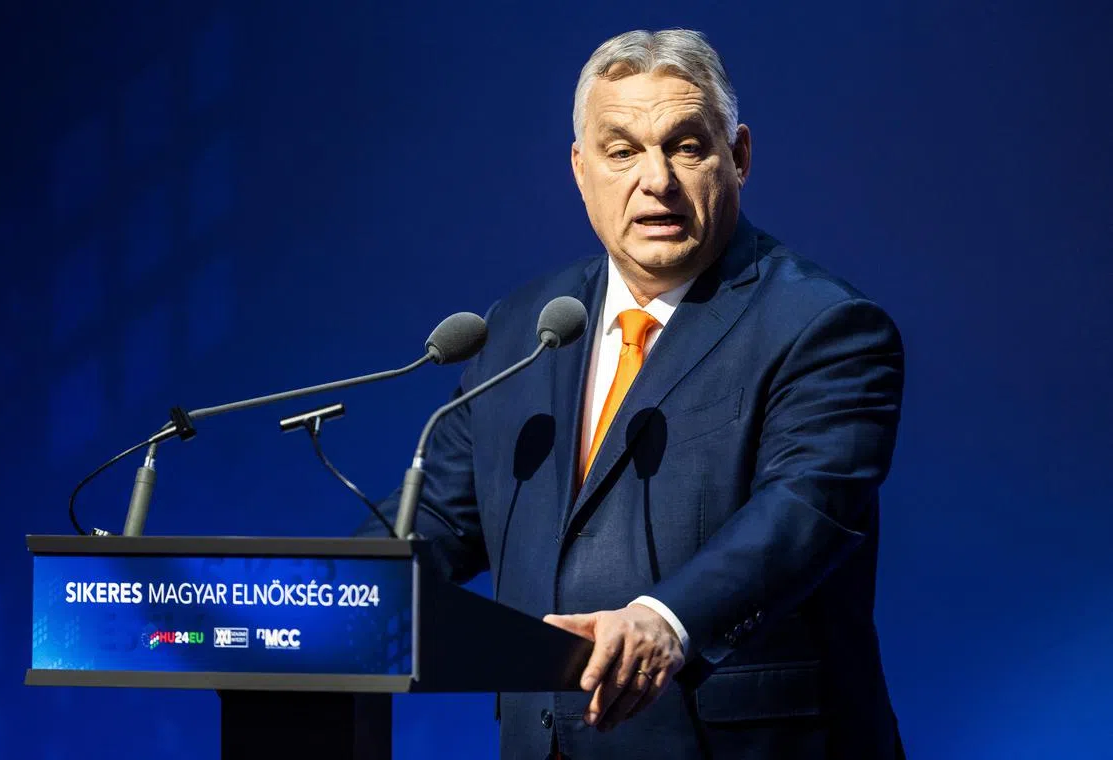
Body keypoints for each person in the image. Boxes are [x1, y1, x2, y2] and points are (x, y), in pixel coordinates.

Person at [363, 28, 907, 760]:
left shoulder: (826, 326)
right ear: (581, 170)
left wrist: (667, 619)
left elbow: (803, 511)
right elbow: (439, 521)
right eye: (622, 152)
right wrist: (320, 595)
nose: (656, 180)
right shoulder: (528, 327)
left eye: (687, 146)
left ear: (738, 158)